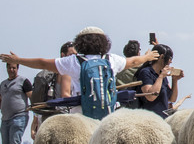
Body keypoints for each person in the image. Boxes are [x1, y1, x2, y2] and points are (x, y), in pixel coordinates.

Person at [1, 28, 159, 112]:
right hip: (108, 110)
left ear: (80, 43)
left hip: (80, 111)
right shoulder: (110, 60)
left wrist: (19, 60)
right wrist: (147, 56)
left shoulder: (73, 62)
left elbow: (42, 63)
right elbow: (133, 61)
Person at [0, 62, 33, 144]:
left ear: (17, 68)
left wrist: (35, 115)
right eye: (9, 67)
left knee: (15, 142)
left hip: (19, 116)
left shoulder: (23, 81)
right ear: (7, 68)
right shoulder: (3, 84)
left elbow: (31, 97)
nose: (11, 69)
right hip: (5, 119)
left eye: (14, 67)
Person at [136, 43, 183, 118]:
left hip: (162, 120)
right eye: (170, 58)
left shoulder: (162, 75)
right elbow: (151, 96)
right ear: (162, 57)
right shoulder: (146, 72)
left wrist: (175, 80)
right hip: (148, 119)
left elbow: (172, 99)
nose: (171, 61)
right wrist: (161, 77)